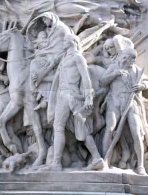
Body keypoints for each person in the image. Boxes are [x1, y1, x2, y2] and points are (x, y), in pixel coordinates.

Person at [44, 34, 105, 171]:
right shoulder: (65, 58)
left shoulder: (78, 57)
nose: (63, 42)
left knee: (81, 130)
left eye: (65, 40)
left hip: (72, 96)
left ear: (72, 42)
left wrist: (89, 96)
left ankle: (95, 158)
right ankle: (58, 163)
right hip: (62, 96)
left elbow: (85, 77)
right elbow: (56, 80)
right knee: (60, 127)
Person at [100, 48, 148, 175]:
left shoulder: (136, 70)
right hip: (114, 102)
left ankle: (140, 166)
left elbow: (147, 81)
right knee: (110, 129)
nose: (132, 61)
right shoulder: (114, 67)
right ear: (124, 57)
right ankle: (105, 161)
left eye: (134, 58)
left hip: (131, 103)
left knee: (136, 133)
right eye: (130, 58)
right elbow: (102, 81)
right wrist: (115, 74)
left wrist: (142, 86)